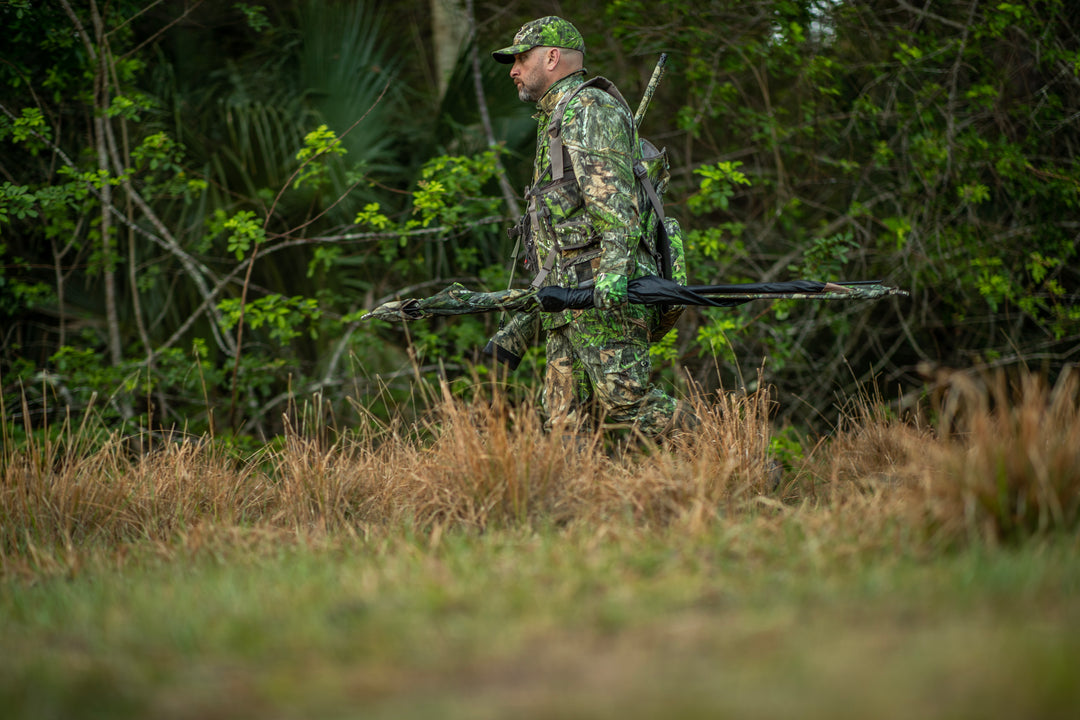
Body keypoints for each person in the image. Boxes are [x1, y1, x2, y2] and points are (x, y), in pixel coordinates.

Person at [487, 16, 695, 438]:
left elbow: (614, 203)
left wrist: (614, 275)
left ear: (551, 57)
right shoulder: (557, 117)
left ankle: (739, 458)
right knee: (564, 418)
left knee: (626, 401)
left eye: (521, 58)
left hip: (601, 289)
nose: (513, 70)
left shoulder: (587, 108)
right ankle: (571, 502)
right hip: (568, 296)